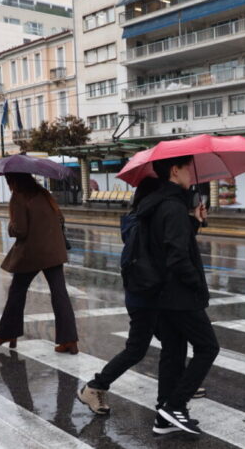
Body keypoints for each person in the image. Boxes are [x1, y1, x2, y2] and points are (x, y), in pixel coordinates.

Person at [77, 177, 162, 416]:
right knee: (136, 350)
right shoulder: (143, 224)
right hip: (144, 298)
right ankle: (94, 387)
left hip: (148, 296)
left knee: (172, 340)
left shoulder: (139, 220)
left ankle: (184, 382)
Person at [149, 155, 219, 435]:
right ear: (175, 170)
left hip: (161, 293)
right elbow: (177, 257)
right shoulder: (174, 207)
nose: (191, 173)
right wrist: (197, 284)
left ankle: (163, 418)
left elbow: (167, 243)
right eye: (187, 168)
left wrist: (194, 222)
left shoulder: (158, 203)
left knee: (174, 352)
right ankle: (175, 405)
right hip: (180, 294)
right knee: (208, 347)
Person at [0, 173, 79, 354]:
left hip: (31, 254)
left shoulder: (19, 197)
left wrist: (10, 227)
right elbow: (60, 218)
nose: (9, 185)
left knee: (17, 292)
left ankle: (7, 334)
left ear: (14, 181)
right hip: (54, 251)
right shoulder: (44, 193)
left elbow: (20, 230)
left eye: (8, 181)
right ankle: (70, 340)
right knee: (59, 293)